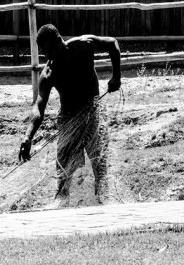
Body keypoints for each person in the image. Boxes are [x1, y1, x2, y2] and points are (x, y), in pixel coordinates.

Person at [19, 24, 121, 207]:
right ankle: (62, 205)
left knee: (99, 163)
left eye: (49, 51)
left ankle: (103, 203)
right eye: (44, 53)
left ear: (59, 41)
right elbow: (38, 107)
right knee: (65, 170)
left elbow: (112, 43)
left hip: (93, 113)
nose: (47, 57)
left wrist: (116, 77)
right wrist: (28, 136)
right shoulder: (48, 73)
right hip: (68, 119)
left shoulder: (83, 45)